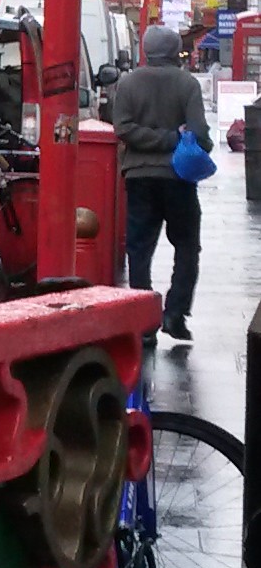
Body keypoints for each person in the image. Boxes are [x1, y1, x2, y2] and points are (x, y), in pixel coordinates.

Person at [110, 24, 211, 345]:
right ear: (174, 50)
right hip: (178, 179)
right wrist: (175, 137)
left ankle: (144, 322)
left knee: (139, 250)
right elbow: (201, 136)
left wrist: (150, 139)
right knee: (186, 246)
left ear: (146, 49)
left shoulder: (127, 84)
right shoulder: (187, 84)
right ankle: (175, 313)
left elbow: (122, 128)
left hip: (139, 177)